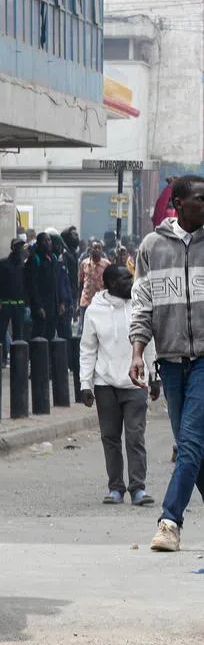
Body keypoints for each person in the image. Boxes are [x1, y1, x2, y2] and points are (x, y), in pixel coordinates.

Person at [130, 175, 204, 553]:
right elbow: (142, 303)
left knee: (189, 444)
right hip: (172, 361)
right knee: (191, 446)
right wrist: (137, 352)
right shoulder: (151, 247)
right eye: (199, 199)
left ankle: (170, 521)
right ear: (178, 203)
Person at [80, 264, 158, 506]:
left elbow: (150, 342)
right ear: (111, 284)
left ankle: (138, 489)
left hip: (135, 383)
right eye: (126, 279)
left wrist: (155, 376)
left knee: (135, 437)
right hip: (105, 383)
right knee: (111, 437)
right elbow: (87, 349)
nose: (131, 281)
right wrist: (86, 384)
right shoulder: (94, 311)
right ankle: (115, 488)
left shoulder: (139, 305)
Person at [0, 238, 28, 365]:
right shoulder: (3, 264)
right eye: (17, 246)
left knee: (18, 334)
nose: (20, 249)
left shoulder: (23, 265)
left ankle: (17, 360)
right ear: (12, 247)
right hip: (5, 304)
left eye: (21, 246)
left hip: (19, 305)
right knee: (2, 333)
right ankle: (1, 358)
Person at [24, 232, 60, 339]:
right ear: (39, 243)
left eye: (49, 240)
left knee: (51, 334)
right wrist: (38, 306)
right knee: (39, 335)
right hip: (41, 305)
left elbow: (57, 282)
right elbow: (32, 285)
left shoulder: (53, 257)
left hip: (53, 305)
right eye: (45, 240)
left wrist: (60, 301)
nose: (48, 243)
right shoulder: (34, 259)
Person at [50, 230, 77, 339]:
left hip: (67, 301)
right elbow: (60, 284)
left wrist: (72, 301)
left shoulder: (68, 256)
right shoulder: (59, 259)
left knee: (66, 334)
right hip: (60, 303)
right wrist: (62, 302)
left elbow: (68, 282)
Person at [78, 239, 108, 318]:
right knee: (83, 328)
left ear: (102, 250)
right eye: (95, 248)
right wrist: (78, 303)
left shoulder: (106, 264)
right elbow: (81, 283)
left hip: (101, 303)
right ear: (90, 249)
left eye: (99, 248)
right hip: (85, 302)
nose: (97, 250)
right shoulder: (84, 263)